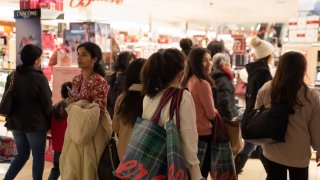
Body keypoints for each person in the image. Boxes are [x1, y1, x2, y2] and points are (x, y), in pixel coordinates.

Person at [255, 51, 320, 180]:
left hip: (272, 148)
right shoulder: (311, 95)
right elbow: (316, 126)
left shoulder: (266, 88)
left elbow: (258, 116)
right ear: (302, 69)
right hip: (299, 152)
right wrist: (319, 149)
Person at [141, 48, 203, 180]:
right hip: (172, 168)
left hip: (148, 168)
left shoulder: (148, 96)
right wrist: (196, 175)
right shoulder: (182, 96)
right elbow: (188, 140)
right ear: (181, 73)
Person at [59, 42, 111, 180]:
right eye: (78, 54)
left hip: (93, 130)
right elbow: (72, 102)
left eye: (84, 54)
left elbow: (98, 110)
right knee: (72, 167)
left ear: (94, 59)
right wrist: (76, 105)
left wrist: (75, 105)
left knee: (89, 169)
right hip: (76, 127)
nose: (79, 58)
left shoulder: (99, 81)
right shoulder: (76, 79)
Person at [3, 44, 52, 180]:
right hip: (35, 125)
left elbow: (7, 98)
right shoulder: (39, 78)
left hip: (16, 123)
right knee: (38, 157)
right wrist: (50, 122)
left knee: (22, 154)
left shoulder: (12, 75)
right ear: (36, 60)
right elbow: (47, 103)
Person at [234, 36, 274, 174]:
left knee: (253, 145)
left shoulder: (254, 71)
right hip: (260, 114)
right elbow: (266, 96)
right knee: (258, 146)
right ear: (267, 55)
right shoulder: (263, 73)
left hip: (252, 113)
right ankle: (234, 169)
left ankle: (234, 169)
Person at [182, 47, 217, 178]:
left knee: (193, 173)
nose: (209, 63)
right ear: (196, 62)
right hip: (203, 134)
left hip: (190, 132)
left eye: (210, 59)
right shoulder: (203, 83)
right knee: (202, 172)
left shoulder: (188, 80)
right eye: (204, 60)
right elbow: (211, 114)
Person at [112, 58, 146, 161]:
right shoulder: (153, 99)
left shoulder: (122, 99)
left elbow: (115, 127)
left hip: (124, 154)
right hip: (147, 156)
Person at [48, 81, 72, 180]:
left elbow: (50, 126)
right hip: (70, 145)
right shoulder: (74, 108)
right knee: (70, 170)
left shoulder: (54, 108)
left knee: (56, 169)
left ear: (61, 93)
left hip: (57, 145)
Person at [211, 53, 238, 127]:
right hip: (225, 120)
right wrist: (230, 118)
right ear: (225, 63)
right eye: (229, 61)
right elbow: (224, 101)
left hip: (221, 117)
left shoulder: (216, 77)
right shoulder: (223, 79)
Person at [107, 51, 136, 118]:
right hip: (121, 114)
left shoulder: (112, 77)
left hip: (111, 113)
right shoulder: (126, 78)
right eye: (131, 62)